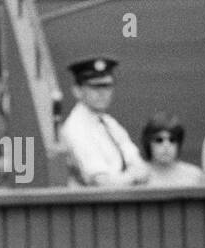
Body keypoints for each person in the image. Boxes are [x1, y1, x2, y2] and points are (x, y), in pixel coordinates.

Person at [59, 57, 149, 187]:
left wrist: (130, 176)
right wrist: (134, 176)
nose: (102, 93)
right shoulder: (76, 128)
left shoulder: (109, 123)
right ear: (77, 91)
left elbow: (140, 166)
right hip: (95, 204)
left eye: (107, 86)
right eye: (94, 87)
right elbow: (102, 183)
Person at [140, 112, 203, 186]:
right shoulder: (137, 177)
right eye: (159, 140)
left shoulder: (195, 177)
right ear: (148, 143)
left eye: (172, 140)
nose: (166, 146)